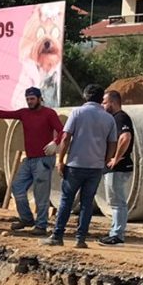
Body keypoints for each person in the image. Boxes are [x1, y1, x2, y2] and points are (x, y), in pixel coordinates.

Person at [0, 87, 65, 235]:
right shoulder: (24, 113)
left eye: (32, 99)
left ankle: (41, 225)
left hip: (43, 159)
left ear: (39, 98)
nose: (29, 102)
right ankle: (26, 218)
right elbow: (5, 114)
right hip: (30, 159)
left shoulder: (49, 114)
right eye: (27, 99)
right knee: (17, 186)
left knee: (41, 194)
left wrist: (55, 142)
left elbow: (63, 131)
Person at [47, 83, 117, 249]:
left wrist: (60, 159)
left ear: (85, 96)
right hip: (95, 168)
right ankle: (80, 239)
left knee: (66, 200)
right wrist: (106, 160)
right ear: (101, 99)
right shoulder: (109, 118)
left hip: (76, 165)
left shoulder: (77, 112)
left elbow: (65, 138)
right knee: (87, 203)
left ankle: (58, 235)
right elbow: (112, 143)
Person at [99, 90, 135, 246]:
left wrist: (116, 158)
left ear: (113, 103)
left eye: (104, 102)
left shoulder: (120, 118)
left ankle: (117, 235)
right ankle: (114, 232)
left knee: (118, 202)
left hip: (118, 168)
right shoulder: (114, 118)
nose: (102, 105)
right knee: (114, 201)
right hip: (115, 168)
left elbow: (125, 137)